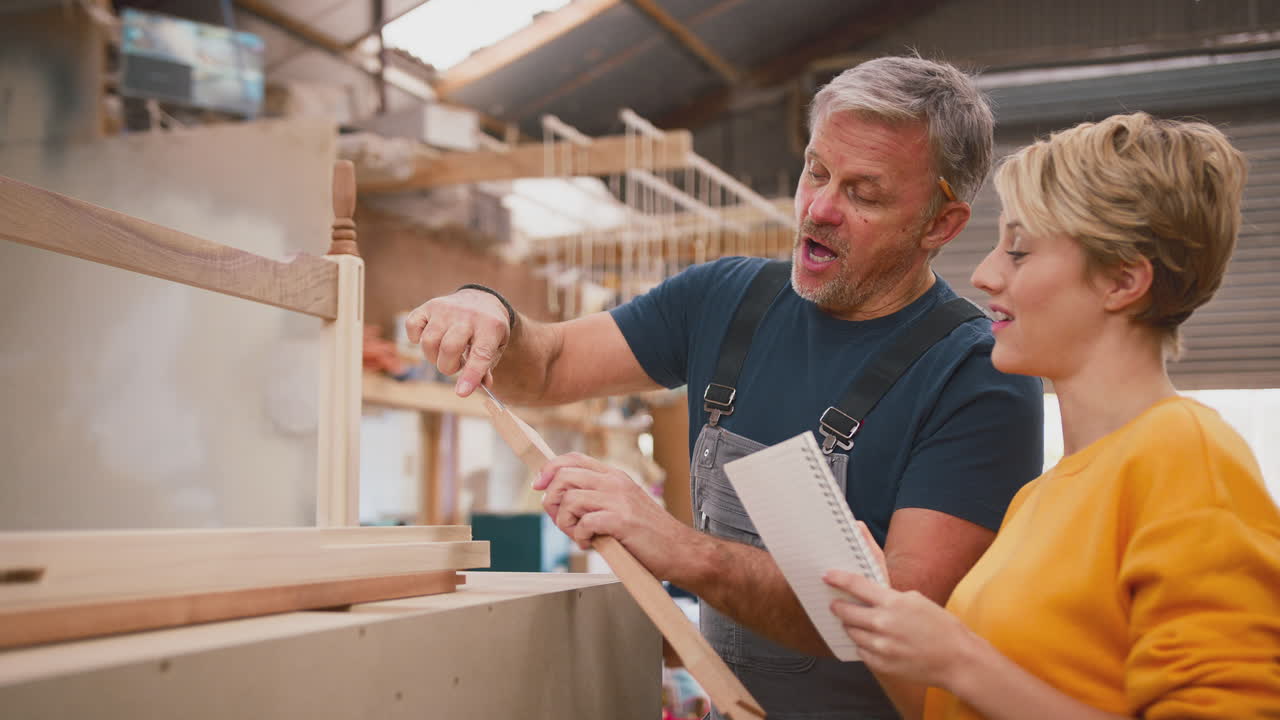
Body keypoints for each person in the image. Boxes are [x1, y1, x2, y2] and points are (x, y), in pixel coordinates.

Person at [406, 56, 1045, 719]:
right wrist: (487, 311)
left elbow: (903, 623)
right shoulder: (727, 300)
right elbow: (545, 365)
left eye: (865, 194)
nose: (819, 209)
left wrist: (677, 547)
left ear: (940, 225)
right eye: (816, 171)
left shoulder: (978, 375)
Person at [823, 112, 1280, 720]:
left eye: (1018, 250)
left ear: (1122, 281)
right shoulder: (1039, 497)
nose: (985, 274)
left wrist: (961, 658)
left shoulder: (1185, 456)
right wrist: (880, 620)